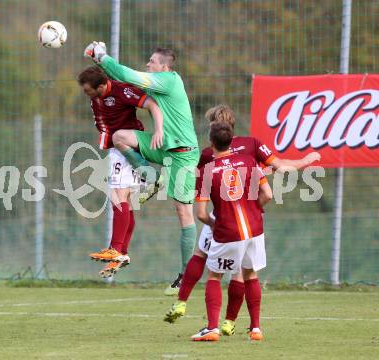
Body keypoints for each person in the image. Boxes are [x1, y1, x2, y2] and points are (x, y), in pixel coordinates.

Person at [164, 105, 321, 335]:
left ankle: (194, 312)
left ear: (213, 131)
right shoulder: (251, 147)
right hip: (251, 222)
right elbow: (279, 170)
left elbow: (200, 203)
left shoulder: (208, 155)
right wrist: (306, 160)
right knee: (245, 272)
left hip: (222, 220)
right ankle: (242, 324)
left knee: (205, 260)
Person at [85, 43, 200, 294]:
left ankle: (186, 276)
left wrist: (102, 56)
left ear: (164, 67)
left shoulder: (167, 80)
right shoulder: (156, 82)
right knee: (120, 137)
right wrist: (101, 63)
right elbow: (118, 81)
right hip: (161, 145)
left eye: (152, 62)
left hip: (183, 153)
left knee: (183, 213)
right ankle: (152, 176)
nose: (148, 65)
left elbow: (127, 75)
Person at [190, 121, 273, 341]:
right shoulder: (249, 161)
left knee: (215, 276)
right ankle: (255, 329)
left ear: (211, 142)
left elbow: (200, 213)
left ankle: (212, 328)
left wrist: (214, 224)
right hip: (255, 229)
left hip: (228, 232)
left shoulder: (207, 171)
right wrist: (254, 210)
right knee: (250, 274)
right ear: (232, 141)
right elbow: (268, 194)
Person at [79, 66, 163, 278]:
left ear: (101, 86)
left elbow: (151, 103)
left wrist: (159, 130)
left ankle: (115, 249)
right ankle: (122, 253)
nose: (86, 94)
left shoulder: (121, 91)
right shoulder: (100, 93)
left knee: (118, 197)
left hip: (125, 148)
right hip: (118, 148)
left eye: (89, 90)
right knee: (126, 202)